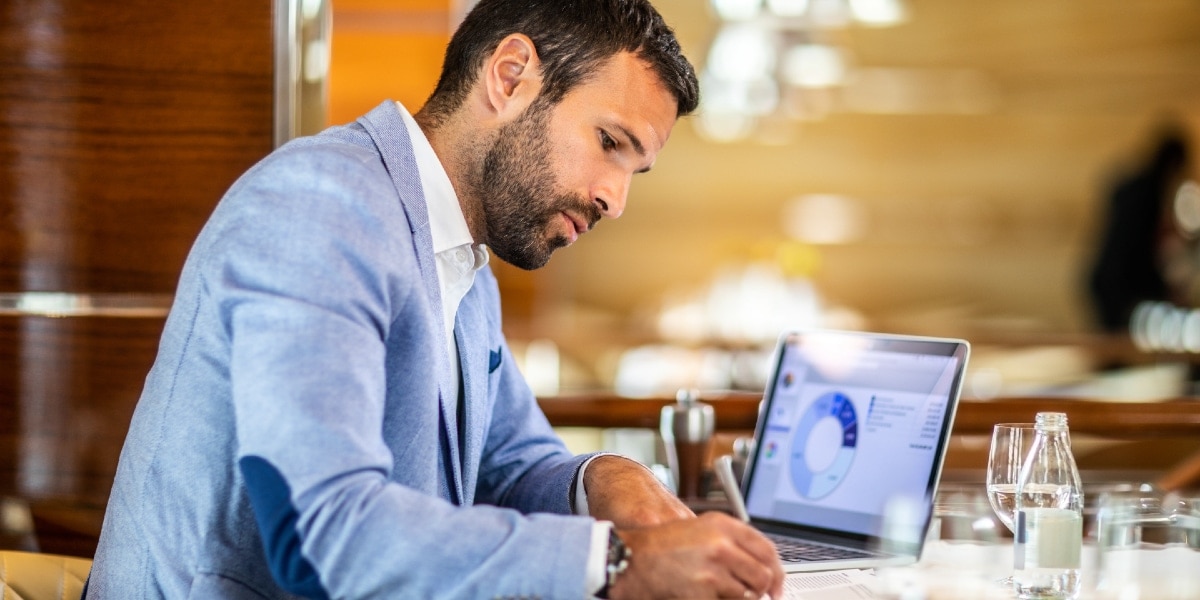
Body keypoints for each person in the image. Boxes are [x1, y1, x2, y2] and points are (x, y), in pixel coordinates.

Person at [86, 1, 786, 598]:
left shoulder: (463, 258)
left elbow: (513, 462)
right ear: (510, 77)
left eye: (635, 168)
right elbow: (321, 533)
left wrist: (610, 480)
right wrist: (617, 566)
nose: (616, 198)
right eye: (609, 143)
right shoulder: (320, 206)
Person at [1087, 125, 1192, 332]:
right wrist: (1163, 289)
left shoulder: (1134, 186)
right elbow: (1138, 251)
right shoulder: (1148, 195)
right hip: (1116, 282)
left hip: (1105, 278)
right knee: (1118, 344)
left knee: (1115, 342)